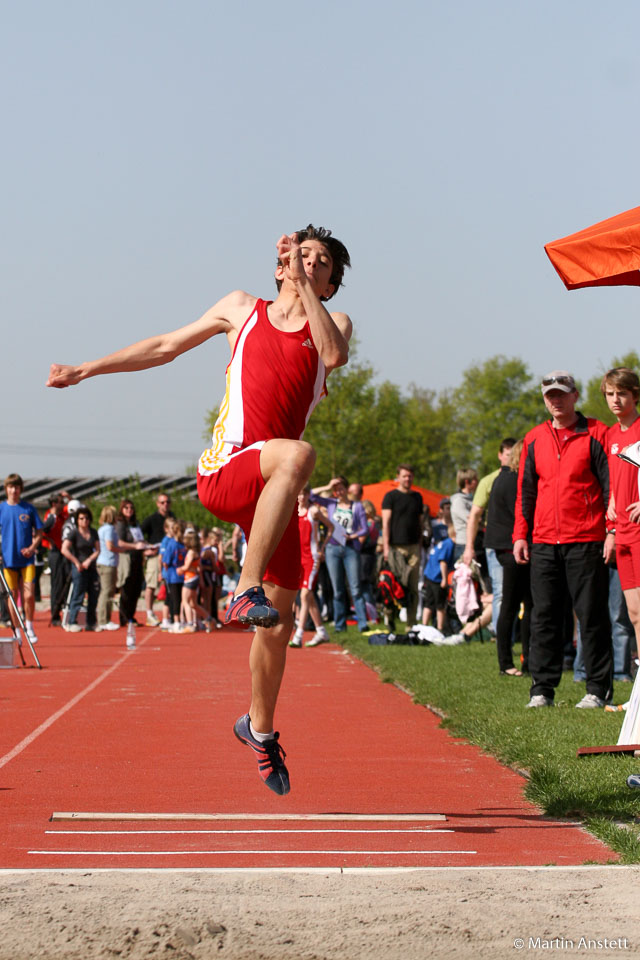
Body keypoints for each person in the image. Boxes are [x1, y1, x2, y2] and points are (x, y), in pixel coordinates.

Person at [48, 225, 352, 796]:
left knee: (280, 625)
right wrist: (86, 369)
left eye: (321, 264)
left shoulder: (331, 326)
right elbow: (164, 347)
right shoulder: (241, 309)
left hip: (275, 491)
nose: (308, 264)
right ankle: (244, 583)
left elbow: (333, 354)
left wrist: (304, 282)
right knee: (300, 455)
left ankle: (258, 731)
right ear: (279, 263)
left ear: (330, 285)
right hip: (228, 470)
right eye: (300, 255)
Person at [513, 370, 613, 709]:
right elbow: (525, 492)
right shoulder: (533, 439)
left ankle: (597, 689)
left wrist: (611, 530)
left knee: (591, 615)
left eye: (561, 394)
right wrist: (520, 536)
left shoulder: (597, 433)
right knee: (543, 617)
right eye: (549, 395)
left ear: (575, 396)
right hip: (542, 541)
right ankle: (542, 689)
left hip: (587, 539)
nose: (556, 400)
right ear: (544, 399)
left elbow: (610, 487)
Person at [600, 367, 640, 678]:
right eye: (611, 394)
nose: (615, 400)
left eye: (622, 393)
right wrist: (611, 526)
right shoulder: (610, 435)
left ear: (634, 395)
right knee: (634, 613)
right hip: (622, 531)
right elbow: (615, 480)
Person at [484, 440, 531, 676]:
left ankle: (520, 661)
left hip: (504, 546)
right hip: (510, 547)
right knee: (514, 605)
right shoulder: (513, 479)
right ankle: (509, 662)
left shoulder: (501, 478)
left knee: (516, 605)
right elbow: (520, 512)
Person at [462, 438, 516, 635]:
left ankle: (519, 640)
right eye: (508, 454)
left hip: (522, 543)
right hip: (497, 544)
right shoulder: (489, 481)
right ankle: (502, 638)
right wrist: (469, 547)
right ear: (500, 455)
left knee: (523, 595)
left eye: (514, 454)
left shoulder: (525, 476)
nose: (511, 459)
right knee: (501, 592)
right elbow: (475, 515)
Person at [311, 476, 369, 633]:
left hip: (350, 548)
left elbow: (365, 528)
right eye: (336, 489)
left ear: (347, 489)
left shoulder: (357, 506)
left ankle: (363, 623)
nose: (339, 492)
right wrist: (327, 485)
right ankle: (339, 625)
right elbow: (310, 495)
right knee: (338, 589)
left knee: (355, 588)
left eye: (341, 488)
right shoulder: (331, 503)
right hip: (332, 549)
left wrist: (353, 536)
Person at [0, 473, 43, 645]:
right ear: (6, 489)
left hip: (26, 560)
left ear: (20, 489)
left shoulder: (28, 509)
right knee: (11, 596)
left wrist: (32, 547)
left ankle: (29, 626)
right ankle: (17, 630)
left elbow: (39, 531)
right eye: (11, 487)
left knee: (29, 595)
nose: (14, 490)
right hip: (8, 560)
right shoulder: (1, 509)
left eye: (17, 487)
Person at [381, 464, 424, 627]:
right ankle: (390, 620)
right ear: (398, 477)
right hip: (395, 548)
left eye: (410, 476)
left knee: (413, 588)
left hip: (413, 547)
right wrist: (386, 548)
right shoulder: (390, 496)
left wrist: (420, 546)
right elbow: (386, 523)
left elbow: (420, 523)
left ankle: (411, 625)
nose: (408, 479)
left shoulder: (417, 497)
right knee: (394, 586)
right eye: (405, 476)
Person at [289, 486, 332, 648]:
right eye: (298, 494)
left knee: (304, 595)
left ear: (308, 495)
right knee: (309, 596)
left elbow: (331, 527)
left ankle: (299, 634)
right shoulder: (293, 510)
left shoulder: (313, 511)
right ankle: (321, 631)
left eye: (303, 494)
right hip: (297, 558)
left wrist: (322, 548)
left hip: (311, 558)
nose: (300, 497)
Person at [61, 507, 100, 633]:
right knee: (78, 594)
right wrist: (77, 562)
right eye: (82, 518)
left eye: (87, 518)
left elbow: (98, 550)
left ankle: (91, 622)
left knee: (94, 594)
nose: (85, 521)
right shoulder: (74, 533)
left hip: (91, 567)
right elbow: (64, 549)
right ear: (77, 520)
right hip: (79, 567)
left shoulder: (93, 532)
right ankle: (72, 621)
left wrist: (89, 560)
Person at [115, 499, 148, 647]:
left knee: (136, 588)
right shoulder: (120, 524)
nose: (129, 510)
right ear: (121, 509)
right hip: (126, 557)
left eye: (131, 507)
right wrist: (135, 546)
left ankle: (131, 616)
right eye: (126, 508)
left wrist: (147, 547)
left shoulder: (135, 524)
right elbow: (120, 542)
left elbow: (140, 540)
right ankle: (124, 616)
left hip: (137, 558)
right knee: (127, 587)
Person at [141, 493, 174, 626]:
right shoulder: (151, 519)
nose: (165, 504)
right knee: (151, 585)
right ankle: (149, 613)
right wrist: (145, 549)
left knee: (169, 586)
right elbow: (138, 534)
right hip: (155, 557)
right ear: (157, 504)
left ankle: (170, 614)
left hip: (170, 558)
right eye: (162, 502)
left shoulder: (172, 517)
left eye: (167, 502)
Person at [421, 523, 455, 632]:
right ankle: (440, 628)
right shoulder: (449, 544)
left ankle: (424, 627)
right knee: (440, 605)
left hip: (428, 574)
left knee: (429, 603)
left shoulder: (444, 542)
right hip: (437, 577)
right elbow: (443, 562)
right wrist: (445, 579)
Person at [42, 493, 68, 626]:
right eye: (60, 502)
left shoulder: (62, 515)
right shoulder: (50, 518)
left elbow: (75, 507)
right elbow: (41, 531)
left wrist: (68, 495)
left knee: (65, 581)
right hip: (55, 552)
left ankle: (63, 610)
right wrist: (49, 541)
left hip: (63, 551)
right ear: (54, 504)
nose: (63, 504)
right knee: (57, 583)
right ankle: (55, 614)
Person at [96, 505, 121, 632]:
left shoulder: (103, 528)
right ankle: (103, 620)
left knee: (108, 591)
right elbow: (110, 546)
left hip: (106, 562)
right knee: (107, 592)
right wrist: (121, 550)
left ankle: (105, 618)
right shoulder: (109, 529)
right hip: (108, 562)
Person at [450, 469, 479, 563]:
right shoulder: (459, 501)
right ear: (467, 481)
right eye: (475, 479)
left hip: (476, 543)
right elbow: (472, 519)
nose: (477, 481)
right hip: (464, 545)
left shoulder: (473, 499)